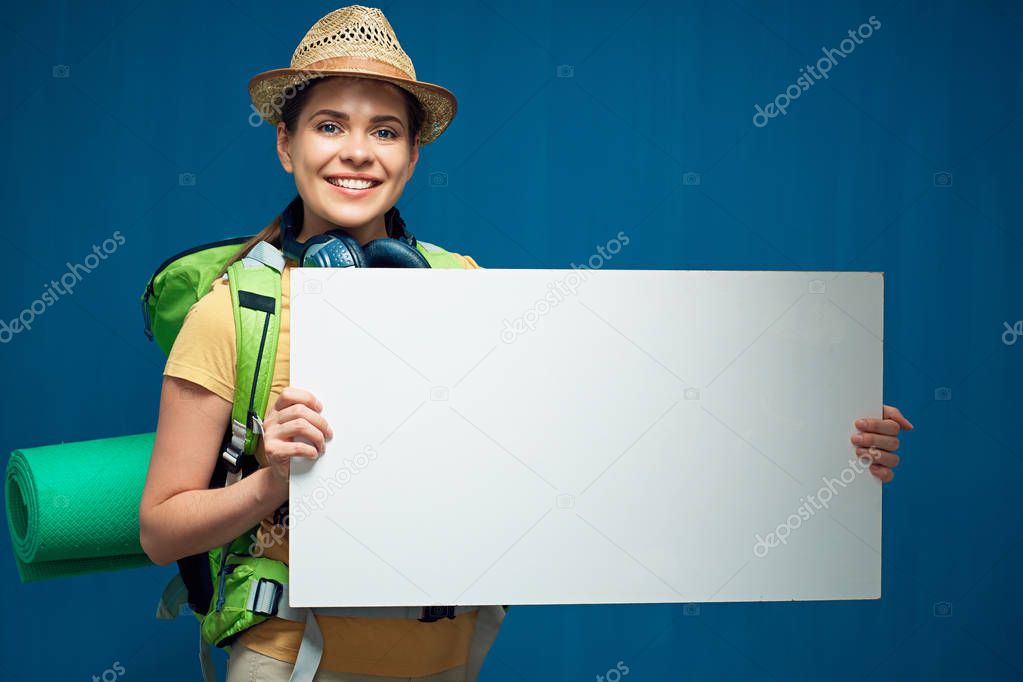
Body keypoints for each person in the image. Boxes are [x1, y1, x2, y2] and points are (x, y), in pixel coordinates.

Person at [139, 6, 491, 681]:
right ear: (285, 145)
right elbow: (160, 532)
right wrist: (269, 479)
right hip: (291, 660)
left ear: (412, 156)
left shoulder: (463, 286)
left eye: (384, 132)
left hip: (448, 655)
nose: (357, 152)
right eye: (329, 126)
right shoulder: (235, 308)